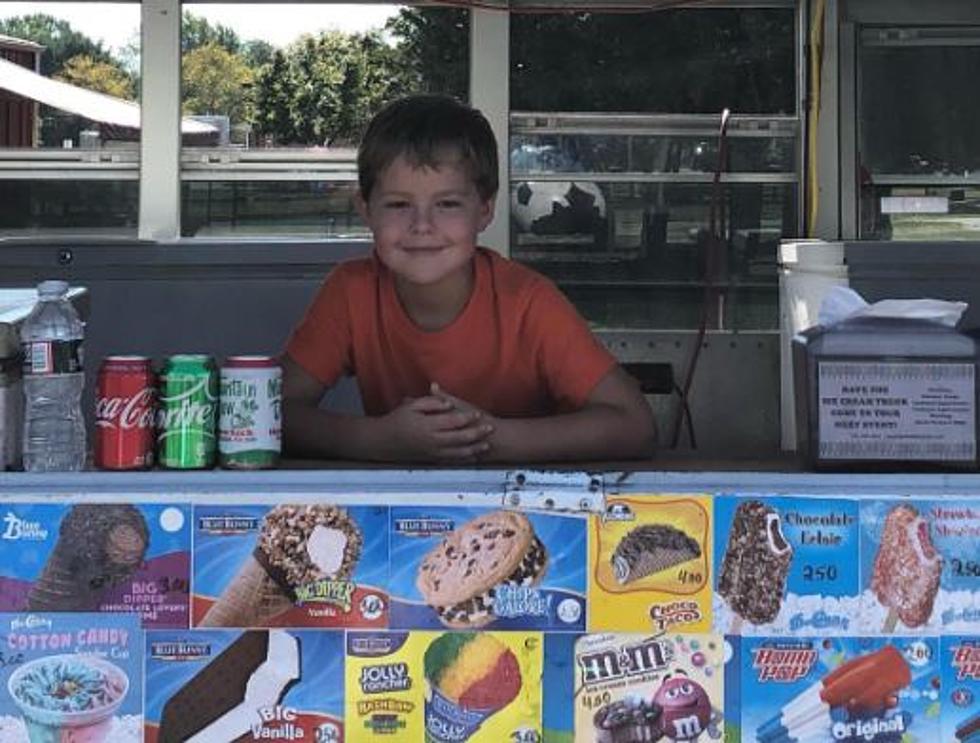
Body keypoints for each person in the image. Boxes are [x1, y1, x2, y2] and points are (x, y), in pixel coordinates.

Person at [282, 94, 656, 463]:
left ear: (485, 210)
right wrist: (377, 439)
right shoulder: (352, 292)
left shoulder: (528, 301)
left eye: (448, 204)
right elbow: (268, 416)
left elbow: (634, 425)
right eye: (398, 204)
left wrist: (487, 438)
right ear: (366, 210)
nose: (422, 226)